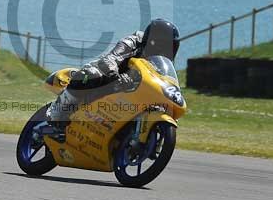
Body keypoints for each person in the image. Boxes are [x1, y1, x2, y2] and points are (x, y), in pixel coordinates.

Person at [46, 18, 180, 137]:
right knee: (91, 75)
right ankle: (56, 116)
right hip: (110, 77)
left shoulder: (163, 64)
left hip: (134, 92)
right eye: (167, 45)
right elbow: (111, 58)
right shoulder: (133, 41)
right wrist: (116, 76)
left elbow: (166, 83)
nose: (169, 50)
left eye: (173, 47)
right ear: (153, 42)